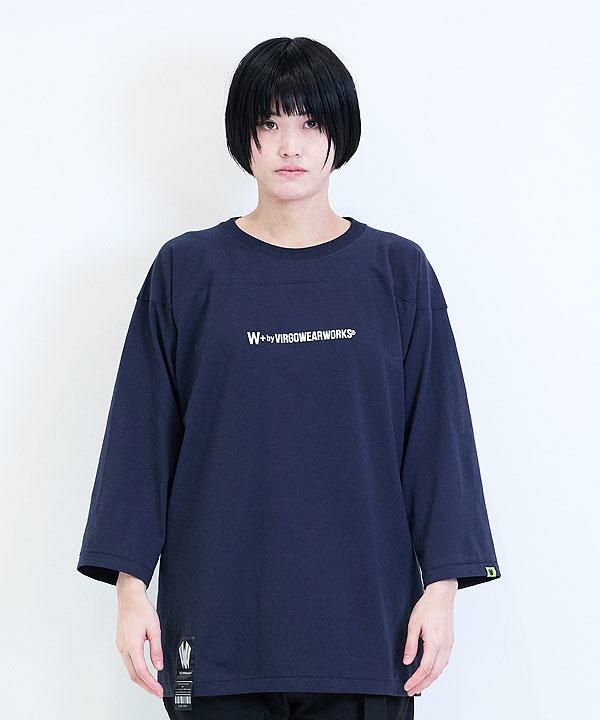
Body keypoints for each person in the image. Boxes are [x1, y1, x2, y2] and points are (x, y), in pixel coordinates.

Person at [76, 36, 501, 720]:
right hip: (212, 634)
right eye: (269, 124)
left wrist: (443, 588)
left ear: (340, 133)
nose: (289, 145)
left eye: (309, 123)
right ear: (243, 137)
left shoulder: (397, 273)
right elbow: (140, 439)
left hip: (368, 633)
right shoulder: (188, 272)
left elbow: (437, 439)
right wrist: (130, 592)